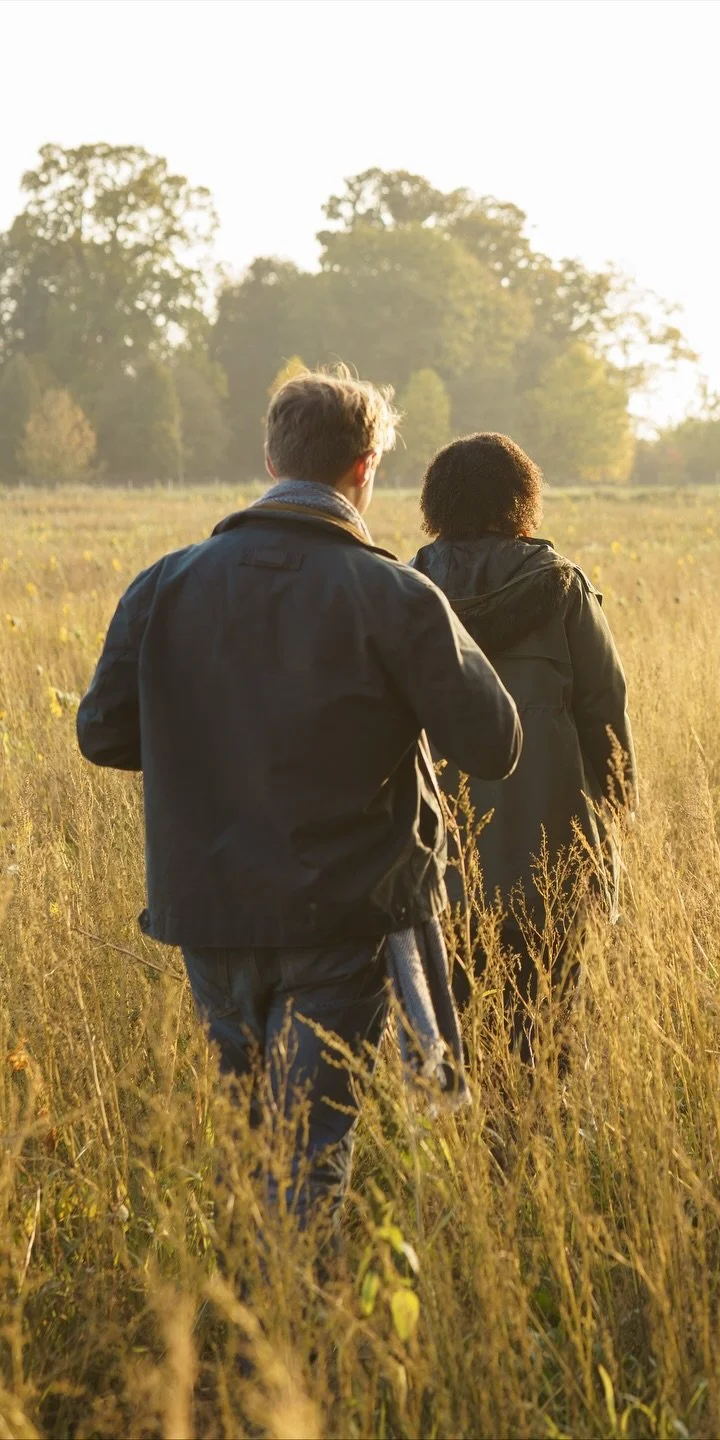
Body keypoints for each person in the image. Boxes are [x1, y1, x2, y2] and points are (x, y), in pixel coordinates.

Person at [76, 370, 521, 1227]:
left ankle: (249, 1339)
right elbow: (496, 743)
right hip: (339, 919)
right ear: (365, 468)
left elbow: (101, 735)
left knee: (248, 1154)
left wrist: (209, 746)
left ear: (271, 455)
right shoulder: (393, 595)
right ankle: (291, 1354)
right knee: (309, 1161)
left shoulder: (164, 585)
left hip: (207, 914)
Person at [410, 433, 635, 1058]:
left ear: (437, 503)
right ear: (522, 498)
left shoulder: (402, 593)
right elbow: (605, 715)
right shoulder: (562, 588)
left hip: (437, 871)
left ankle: (468, 1151)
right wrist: (617, 820)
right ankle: (536, 1149)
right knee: (547, 1037)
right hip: (553, 861)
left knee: (453, 1046)